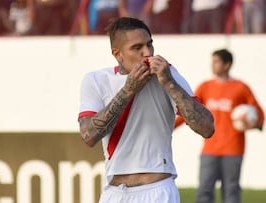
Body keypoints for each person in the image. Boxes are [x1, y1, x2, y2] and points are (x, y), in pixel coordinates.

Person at [77, 17, 215, 203]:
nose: (147, 53)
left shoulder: (167, 74)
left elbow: (207, 128)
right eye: (137, 48)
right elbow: (89, 136)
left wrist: (170, 84)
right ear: (117, 54)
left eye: (150, 45)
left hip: (157, 191)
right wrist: (127, 90)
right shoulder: (96, 80)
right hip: (114, 193)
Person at [175, 49, 265, 203]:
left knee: (231, 190)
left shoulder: (240, 87)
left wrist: (252, 123)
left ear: (227, 65)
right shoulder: (205, 86)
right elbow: (189, 111)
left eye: (216, 62)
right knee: (204, 189)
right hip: (210, 148)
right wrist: (168, 127)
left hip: (233, 148)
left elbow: (259, 115)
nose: (213, 65)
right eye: (212, 61)